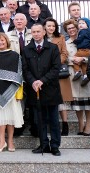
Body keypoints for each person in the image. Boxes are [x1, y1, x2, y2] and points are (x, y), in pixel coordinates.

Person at [22, 23, 63, 156]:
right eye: (33, 32)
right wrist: (33, 81)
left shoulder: (52, 48)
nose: (36, 34)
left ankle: (55, 145)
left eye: (38, 31)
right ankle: (43, 144)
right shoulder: (27, 49)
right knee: (40, 120)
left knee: (54, 120)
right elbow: (25, 69)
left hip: (51, 89)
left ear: (44, 32)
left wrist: (42, 80)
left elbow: (56, 68)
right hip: (35, 90)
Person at [0, 33, 23, 153]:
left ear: (6, 41)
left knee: (11, 118)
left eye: (2, 40)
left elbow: (19, 75)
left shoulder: (15, 56)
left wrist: (19, 94)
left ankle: (11, 141)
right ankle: (2, 141)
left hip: (12, 92)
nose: (0, 43)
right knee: (0, 118)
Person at [63, 19, 90, 137]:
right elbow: (65, 57)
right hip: (74, 74)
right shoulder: (66, 43)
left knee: (87, 100)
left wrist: (83, 59)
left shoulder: (86, 38)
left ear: (77, 28)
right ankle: (80, 124)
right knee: (77, 102)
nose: (71, 30)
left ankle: (88, 125)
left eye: (73, 28)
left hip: (86, 73)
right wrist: (74, 59)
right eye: (69, 29)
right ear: (66, 31)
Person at [44, 18, 73, 136]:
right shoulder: (41, 37)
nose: (51, 28)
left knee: (62, 99)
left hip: (58, 70)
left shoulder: (60, 37)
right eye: (49, 26)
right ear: (44, 27)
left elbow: (64, 52)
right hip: (45, 71)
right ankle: (49, 125)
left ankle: (65, 124)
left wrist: (56, 63)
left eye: (53, 26)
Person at [71, 17, 90, 85]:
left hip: (82, 50)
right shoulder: (89, 33)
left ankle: (77, 71)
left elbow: (80, 39)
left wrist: (75, 41)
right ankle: (85, 76)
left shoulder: (82, 31)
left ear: (87, 25)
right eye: (79, 23)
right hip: (88, 51)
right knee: (84, 63)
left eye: (83, 23)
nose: (80, 25)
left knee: (75, 59)